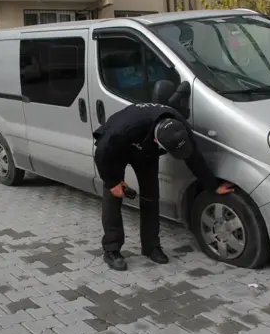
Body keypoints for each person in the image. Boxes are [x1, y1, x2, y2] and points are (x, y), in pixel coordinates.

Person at [93, 102, 234, 271]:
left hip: (145, 152)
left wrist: (213, 185)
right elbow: (101, 153)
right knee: (113, 196)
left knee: (151, 196)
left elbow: (194, 158)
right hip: (118, 150)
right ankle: (111, 249)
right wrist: (112, 182)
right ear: (156, 139)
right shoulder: (123, 129)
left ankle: (151, 246)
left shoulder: (180, 129)